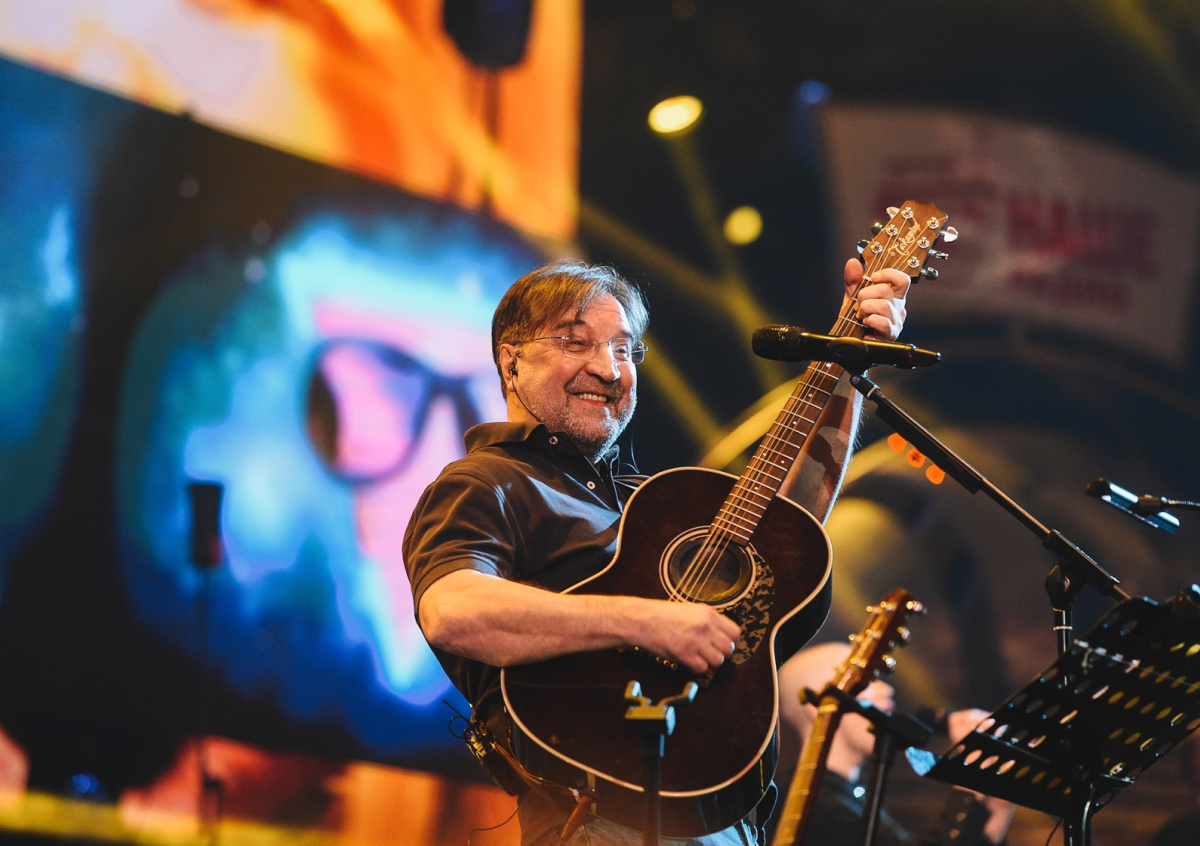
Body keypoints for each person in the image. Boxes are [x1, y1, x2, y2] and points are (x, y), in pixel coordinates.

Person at [402, 255, 912, 844]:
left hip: (732, 821)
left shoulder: (652, 500)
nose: (608, 368)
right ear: (510, 362)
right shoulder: (484, 482)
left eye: (624, 349)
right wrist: (648, 622)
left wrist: (849, 362)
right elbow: (453, 611)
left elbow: (788, 528)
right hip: (600, 818)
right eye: (576, 341)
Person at [775, 641, 1015, 846]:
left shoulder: (846, 795)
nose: (886, 689)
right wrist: (969, 777)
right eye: (865, 681)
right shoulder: (811, 804)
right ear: (819, 705)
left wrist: (997, 807)